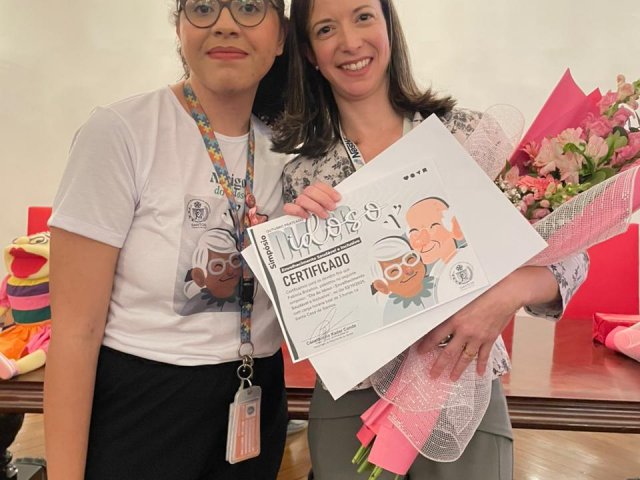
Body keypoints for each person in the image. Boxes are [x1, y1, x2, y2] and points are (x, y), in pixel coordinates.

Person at [272, 0, 589, 478]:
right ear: (309, 53)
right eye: (325, 29)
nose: (350, 42)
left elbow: (572, 259)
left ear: (389, 26)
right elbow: (307, 317)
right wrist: (298, 245)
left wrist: (503, 298)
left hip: (462, 385)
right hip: (350, 403)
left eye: (363, 17)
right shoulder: (303, 176)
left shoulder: (467, 137)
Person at [44, 1, 290, 479]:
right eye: (203, 7)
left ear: (280, 36)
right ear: (179, 27)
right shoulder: (122, 132)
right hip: (142, 409)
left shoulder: (290, 148)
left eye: (248, 7)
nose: (225, 24)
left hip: (256, 397)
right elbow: (75, 334)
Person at [369, 236, 434, 324]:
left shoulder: (439, 282)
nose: (409, 270)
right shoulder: (392, 313)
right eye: (394, 271)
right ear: (382, 286)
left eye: (410, 259)